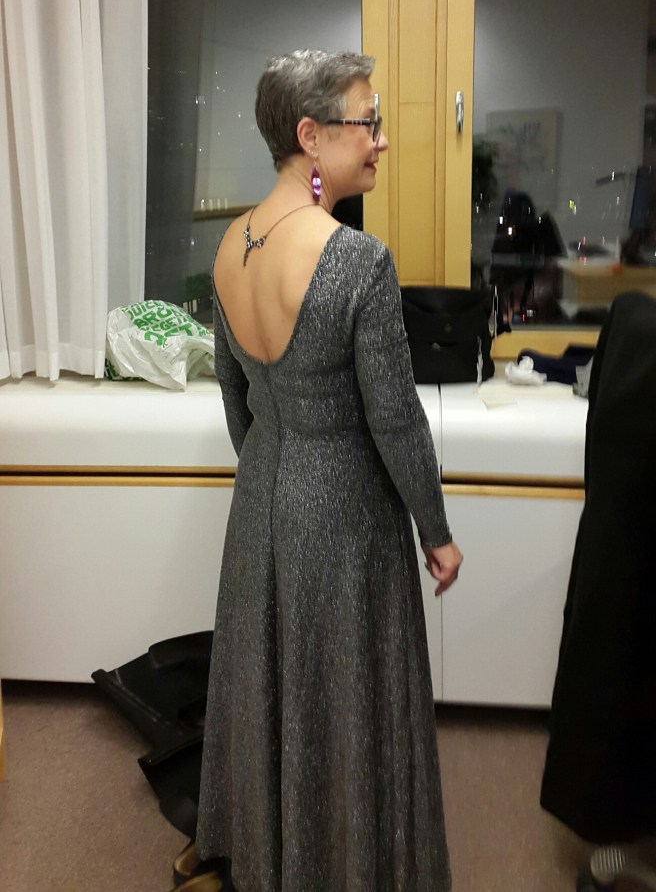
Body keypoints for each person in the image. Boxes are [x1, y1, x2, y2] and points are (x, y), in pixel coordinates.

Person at [194, 50, 462, 892]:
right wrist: (437, 531)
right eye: (366, 122)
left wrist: (271, 477)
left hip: (260, 504)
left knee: (274, 689)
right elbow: (396, 419)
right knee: (344, 699)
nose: (379, 140)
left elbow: (236, 399)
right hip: (345, 518)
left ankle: (274, 859)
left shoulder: (230, 247)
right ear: (310, 136)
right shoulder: (356, 261)